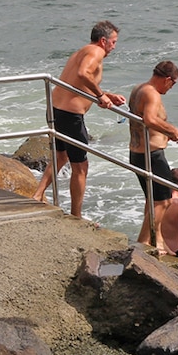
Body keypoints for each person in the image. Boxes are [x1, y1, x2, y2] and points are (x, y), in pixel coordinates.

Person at [32, 21, 126, 218]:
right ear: (103, 41)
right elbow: (83, 74)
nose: (114, 47)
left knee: (60, 156)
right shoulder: (96, 52)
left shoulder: (82, 51)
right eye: (114, 42)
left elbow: (75, 83)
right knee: (81, 167)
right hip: (70, 116)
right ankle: (76, 215)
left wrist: (107, 95)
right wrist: (100, 95)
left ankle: (38, 194)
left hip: (56, 109)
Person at [128, 60, 178, 252]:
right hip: (151, 155)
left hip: (137, 153)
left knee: (153, 200)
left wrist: (164, 133)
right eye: (173, 84)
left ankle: (157, 241)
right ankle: (143, 242)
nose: (171, 88)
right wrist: (172, 130)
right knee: (163, 201)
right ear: (168, 79)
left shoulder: (139, 88)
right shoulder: (152, 93)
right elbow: (150, 119)